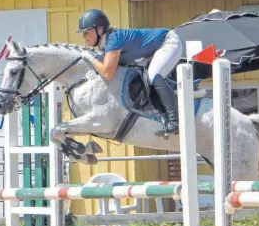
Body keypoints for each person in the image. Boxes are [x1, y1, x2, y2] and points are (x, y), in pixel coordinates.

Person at [77, 9, 182, 137]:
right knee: (147, 77)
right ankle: (163, 115)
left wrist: (91, 58)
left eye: (87, 32)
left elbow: (107, 73)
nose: (84, 37)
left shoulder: (114, 40)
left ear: (99, 30)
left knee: (153, 75)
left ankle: (175, 121)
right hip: (154, 49)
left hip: (168, 42)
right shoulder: (107, 43)